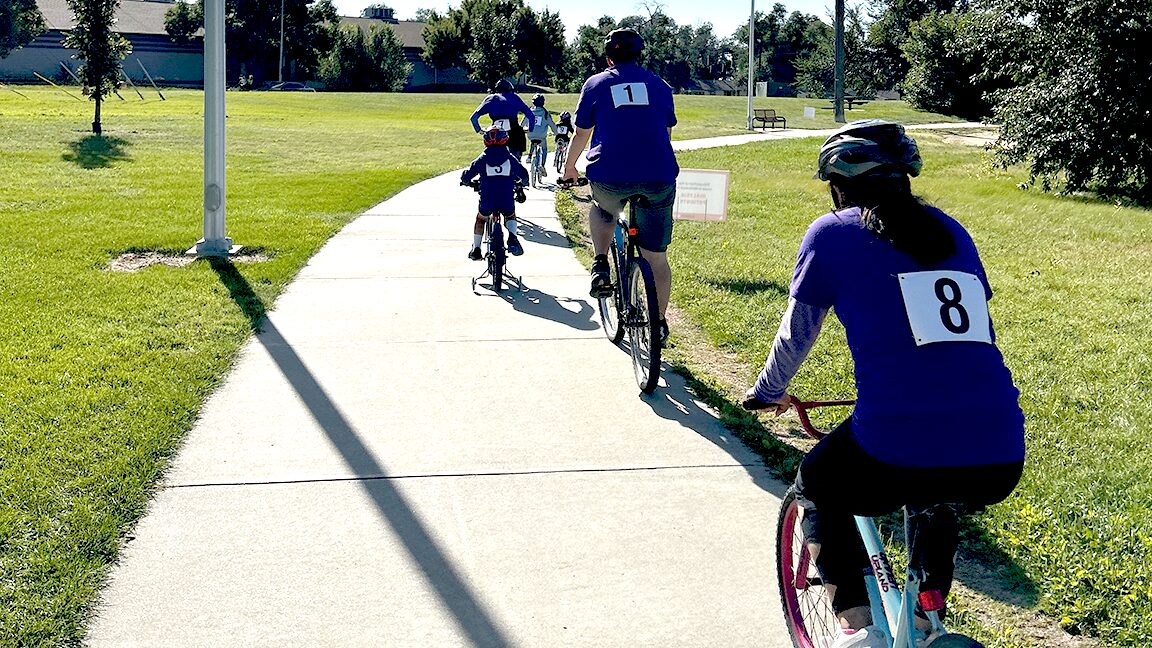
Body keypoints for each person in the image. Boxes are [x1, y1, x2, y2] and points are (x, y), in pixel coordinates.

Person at [743, 120, 1026, 648]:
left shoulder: (832, 233)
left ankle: (857, 625)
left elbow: (797, 332)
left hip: (895, 440)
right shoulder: (950, 230)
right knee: (938, 490)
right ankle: (924, 620)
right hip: (1000, 445)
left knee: (817, 481)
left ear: (837, 184)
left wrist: (766, 390)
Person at [560, 28, 678, 347]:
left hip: (610, 174)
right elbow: (664, 133)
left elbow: (582, 134)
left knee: (602, 209)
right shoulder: (660, 86)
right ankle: (659, 324)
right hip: (658, 175)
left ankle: (600, 263)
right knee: (657, 258)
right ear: (640, 55)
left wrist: (570, 167)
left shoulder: (596, 83)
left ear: (608, 56)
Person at [460, 126, 530, 259]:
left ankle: (476, 249)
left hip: (487, 199)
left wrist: (466, 181)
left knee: (481, 219)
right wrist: (523, 183)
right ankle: (513, 238)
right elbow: (524, 175)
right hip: (506, 199)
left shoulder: (482, 159)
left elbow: (466, 176)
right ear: (505, 140)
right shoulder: (510, 158)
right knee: (510, 215)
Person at [470, 78, 535, 161]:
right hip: (514, 132)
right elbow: (531, 116)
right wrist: (530, 129)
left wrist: (479, 130)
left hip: (496, 134)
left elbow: (473, 118)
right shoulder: (514, 97)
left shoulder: (491, 98)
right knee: (516, 159)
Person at [522, 93, 557, 178]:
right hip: (541, 136)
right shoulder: (545, 113)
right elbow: (552, 125)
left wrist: (523, 129)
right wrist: (556, 133)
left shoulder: (529, 111)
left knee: (533, 140)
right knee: (544, 149)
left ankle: (530, 156)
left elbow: (522, 123)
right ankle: (542, 165)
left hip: (530, 135)